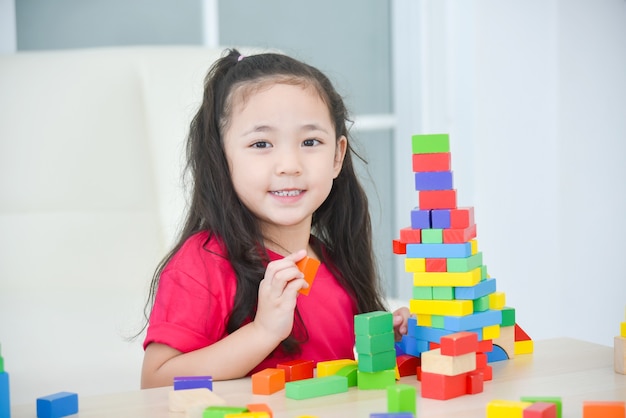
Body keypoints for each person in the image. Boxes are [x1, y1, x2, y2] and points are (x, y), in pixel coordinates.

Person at [140, 48, 410, 388]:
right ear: (221, 158)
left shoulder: (336, 264)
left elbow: (345, 378)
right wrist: (262, 332)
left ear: (338, 156)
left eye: (310, 141)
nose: (289, 164)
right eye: (261, 144)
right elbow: (155, 380)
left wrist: (392, 343)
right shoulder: (203, 263)